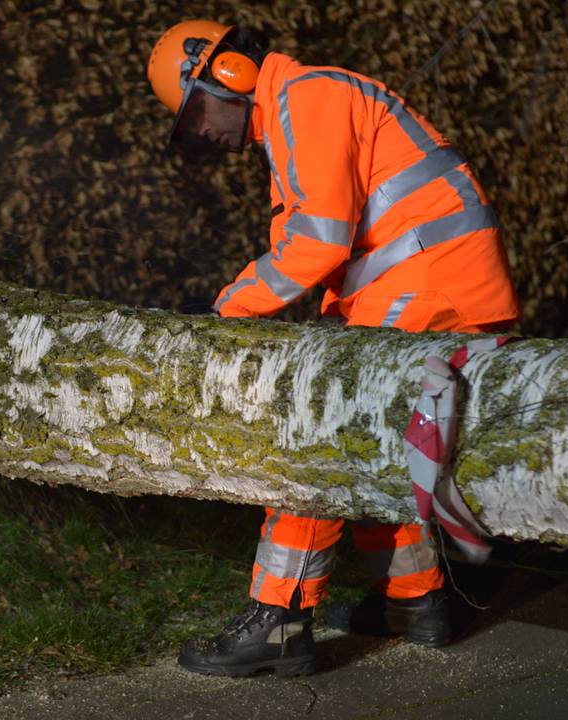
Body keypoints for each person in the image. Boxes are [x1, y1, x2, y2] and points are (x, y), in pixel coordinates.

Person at [146, 20, 521, 677]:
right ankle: (413, 600)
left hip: (434, 283)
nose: (199, 131)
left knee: (317, 427)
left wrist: (223, 312)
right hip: (426, 280)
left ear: (227, 73)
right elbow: (334, 245)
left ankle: (279, 618)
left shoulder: (304, 99)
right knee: (371, 441)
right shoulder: (297, 111)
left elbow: (317, 243)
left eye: (196, 110)